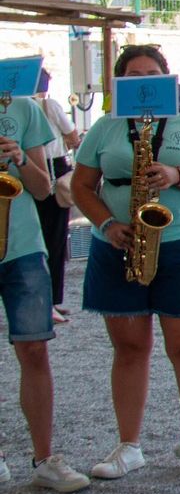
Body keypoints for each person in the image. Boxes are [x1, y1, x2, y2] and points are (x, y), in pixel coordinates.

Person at [71, 45, 180, 480]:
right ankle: (129, 445)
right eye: (134, 75)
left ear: (167, 79)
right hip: (119, 242)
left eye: (152, 74)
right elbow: (82, 186)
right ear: (122, 84)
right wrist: (105, 224)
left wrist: (178, 175)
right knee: (129, 348)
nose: (143, 81)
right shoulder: (105, 127)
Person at [0, 84, 90, 491]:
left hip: (21, 246)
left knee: (35, 349)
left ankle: (44, 458)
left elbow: (42, 188)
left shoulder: (22, 108)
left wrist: (18, 157)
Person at [33, 68, 79, 324]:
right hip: (52, 168)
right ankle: (50, 301)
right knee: (54, 239)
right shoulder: (49, 105)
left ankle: (42, 301)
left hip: (29, 170)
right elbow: (72, 136)